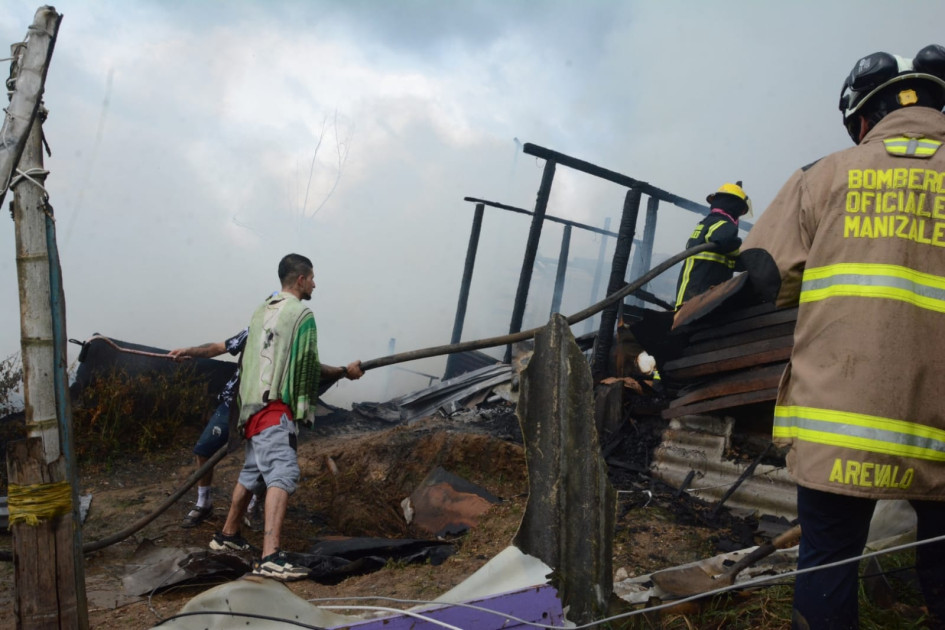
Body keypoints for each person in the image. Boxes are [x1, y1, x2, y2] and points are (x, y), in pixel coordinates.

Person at [740, 44, 945, 629]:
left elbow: (764, 277)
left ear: (862, 119)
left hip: (842, 423)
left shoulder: (822, 174)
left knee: (828, 560)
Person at [208, 253, 364, 581]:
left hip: (250, 408)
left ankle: (227, 536)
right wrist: (343, 373)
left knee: (252, 472)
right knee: (282, 471)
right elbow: (307, 367)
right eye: (312, 278)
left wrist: (341, 371)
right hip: (276, 407)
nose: (315, 284)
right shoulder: (302, 314)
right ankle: (271, 556)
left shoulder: (262, 311)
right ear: (300, 280)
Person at [169, 329, 255, 528]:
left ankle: (255, 504)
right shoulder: (253, 331)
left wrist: (338, 371)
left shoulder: (291, 335)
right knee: (204, 451)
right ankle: (204, 502)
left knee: (261, 458)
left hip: (266, 406)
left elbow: (307, 366)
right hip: (233, 402)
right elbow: (217, 347)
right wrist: (188, 351)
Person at [674, 181, 751, 309]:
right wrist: (744, 247)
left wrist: (745, 262)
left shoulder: (706, 223)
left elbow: (727, 261)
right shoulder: (724, 224)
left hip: (689, 296)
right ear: (735, 206)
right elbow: (726, 242)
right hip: (700, 297)